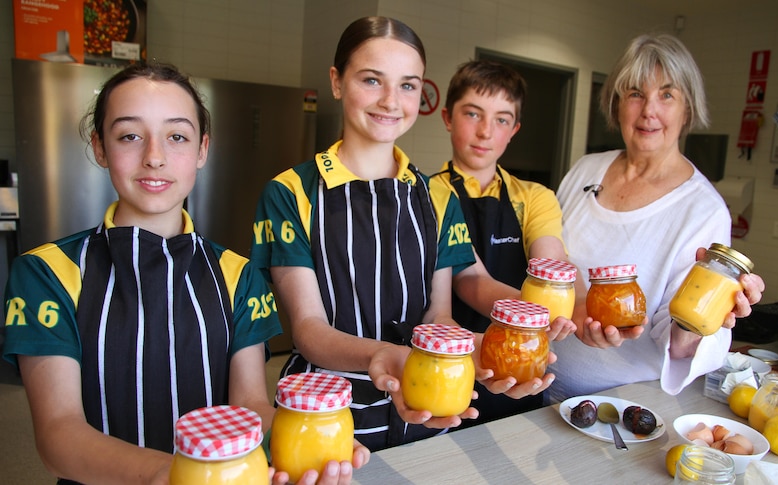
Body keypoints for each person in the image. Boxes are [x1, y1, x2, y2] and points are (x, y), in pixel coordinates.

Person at [2, 62, 367, 485]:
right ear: (100, 147)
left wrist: (306, 438)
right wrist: (170, 475)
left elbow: (247, 405)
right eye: (129, 136)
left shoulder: (238, 275)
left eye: (176, 136)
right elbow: (59, 436)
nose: (154, 157)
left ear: (202, 150)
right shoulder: (46, 274)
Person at [249, 17, 480, 452]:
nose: (391, 101)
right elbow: (308, 329)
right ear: (337, 82)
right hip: (326, 425)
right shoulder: (291, 193)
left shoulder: (438, 196)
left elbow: (438, 315)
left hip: (427, 415)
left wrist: (473, 349)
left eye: (408, 86)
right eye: (372, 80)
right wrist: (381, 355)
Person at [548, 33, 765, 403]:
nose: (649, 110)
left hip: (623, 411)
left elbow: (678, 341)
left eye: (667, 94)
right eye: (635, 93)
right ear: (616, 103)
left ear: (687, 109)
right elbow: (549, 264)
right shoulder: (586, 170)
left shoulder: (703, 210)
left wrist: (703, 321)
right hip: (540, 392)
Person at [429, 60, 578, 424]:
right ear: (448, 118)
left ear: (514, 129)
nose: (485, 132)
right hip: (449, 359)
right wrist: (532, 313)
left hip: (522, 362)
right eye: (473, 114)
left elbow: (549, 266)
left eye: (501, 119)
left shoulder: (535, 197)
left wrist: (555, 307)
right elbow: (469, 277)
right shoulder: (424, 193)